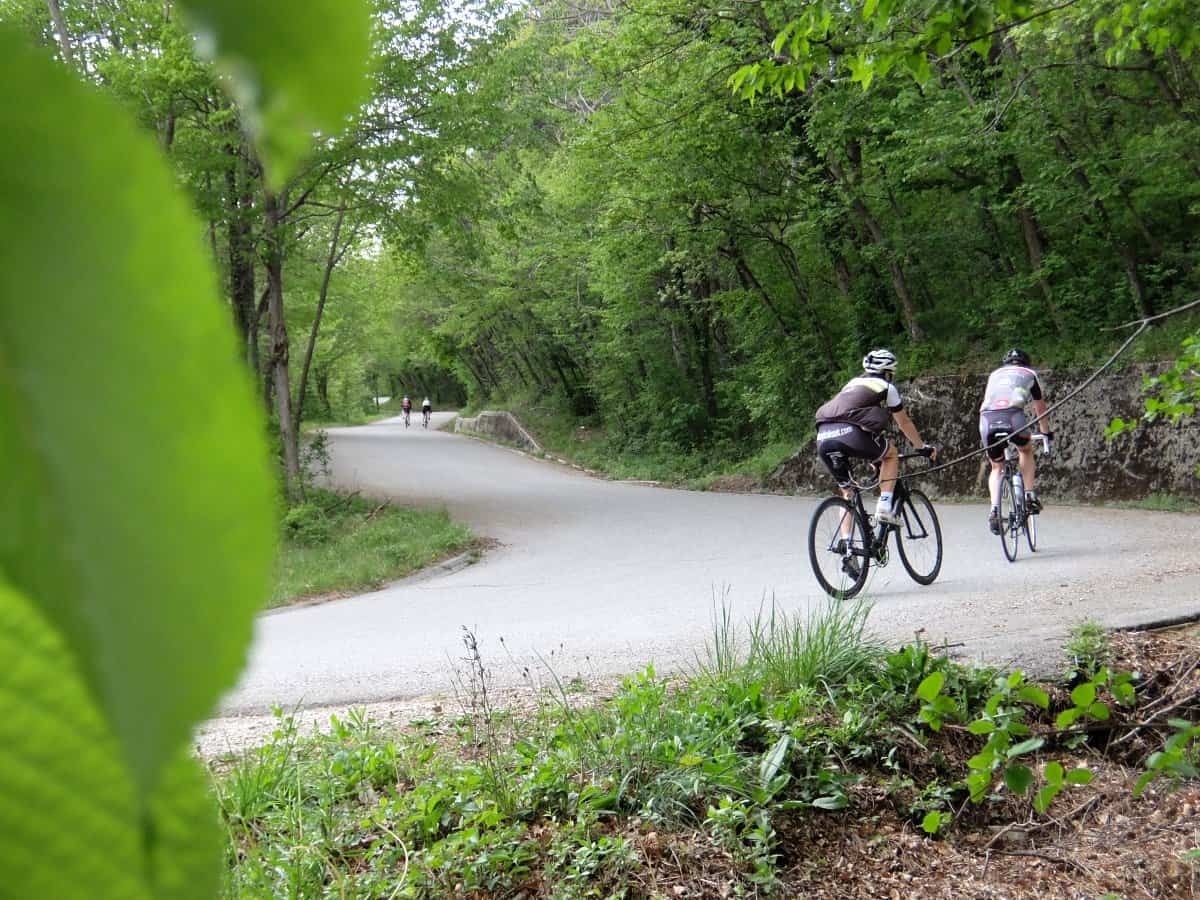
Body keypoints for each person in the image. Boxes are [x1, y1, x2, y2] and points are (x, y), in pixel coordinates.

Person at [815, 349, 937, 527]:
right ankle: (885, 507)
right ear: (887, 372)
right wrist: (921, 447)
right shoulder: (887, 387)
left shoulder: (851, 384)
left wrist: (873, 456)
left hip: (823, 435)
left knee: (847, 493)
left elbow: (859, 419)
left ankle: (847, 548)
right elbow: (904, 422)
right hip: (849, 433)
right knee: (891, 454)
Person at [980, 348, 1052, 534]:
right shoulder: (1029, 373)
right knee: (1025, 450)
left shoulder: (994, 374)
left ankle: (994, 510)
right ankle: (1028, 495)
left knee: (996, 467)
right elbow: (1039, 407)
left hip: (986, 419)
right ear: (1026, 363)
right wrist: (1045, 432)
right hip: (1013, 416)